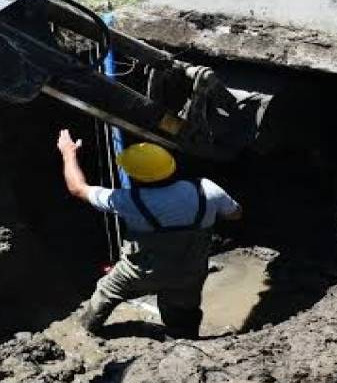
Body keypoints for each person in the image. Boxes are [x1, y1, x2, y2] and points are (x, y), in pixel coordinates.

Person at [55, 129, 243, 339]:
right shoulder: (206, 189)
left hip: (139, 272)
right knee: (183, 309)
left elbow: (77, 188)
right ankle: (184, 340)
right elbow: (235, 214)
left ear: (134, 175)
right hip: (189, 271)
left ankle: (87, 330)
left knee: (107, 291)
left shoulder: (127, 201)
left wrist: (68, 154)